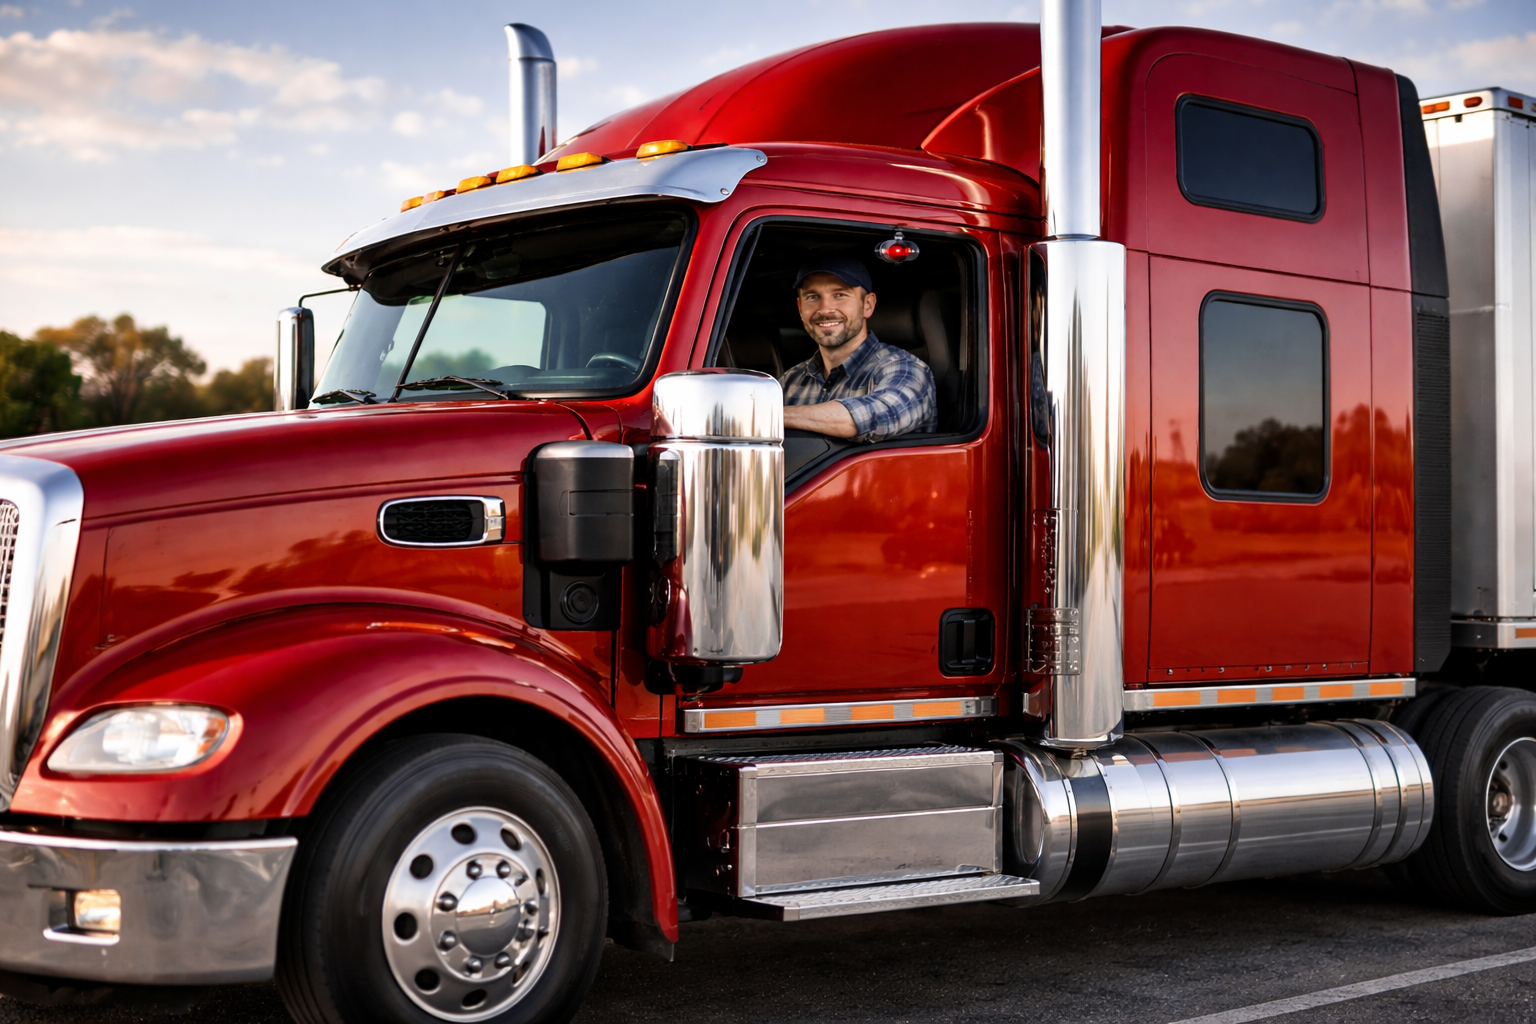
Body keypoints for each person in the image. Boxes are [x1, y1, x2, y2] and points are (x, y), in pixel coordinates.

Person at [779, 256, 937, 442]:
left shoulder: (907, 369)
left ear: (867, 305)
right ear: (800, 308)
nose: (825, 309)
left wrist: (769, 417)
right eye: (813, 297)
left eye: (840, 295)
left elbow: (874, 416)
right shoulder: (791, 380)